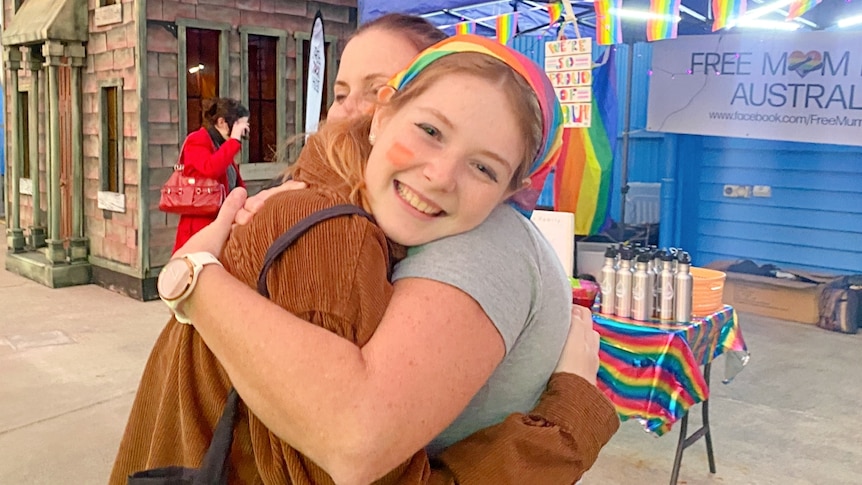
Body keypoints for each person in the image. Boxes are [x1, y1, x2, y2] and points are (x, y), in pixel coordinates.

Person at [112, 36, 618, 484]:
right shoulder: (335, 238)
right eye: (431, 130)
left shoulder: (354, 224)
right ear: (385, 115)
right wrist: (568, 424)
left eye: (484, 166)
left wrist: (194, 279)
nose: (441, 175)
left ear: (512, 191)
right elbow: (355, 447)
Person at [172, 97, 250, 253]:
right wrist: (233, 140)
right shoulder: (197, 140)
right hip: (199, 226)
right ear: (221, 122)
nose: (242, 131)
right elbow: (211, 168)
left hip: (219, 225)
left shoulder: (221, 146)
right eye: (238, 125)